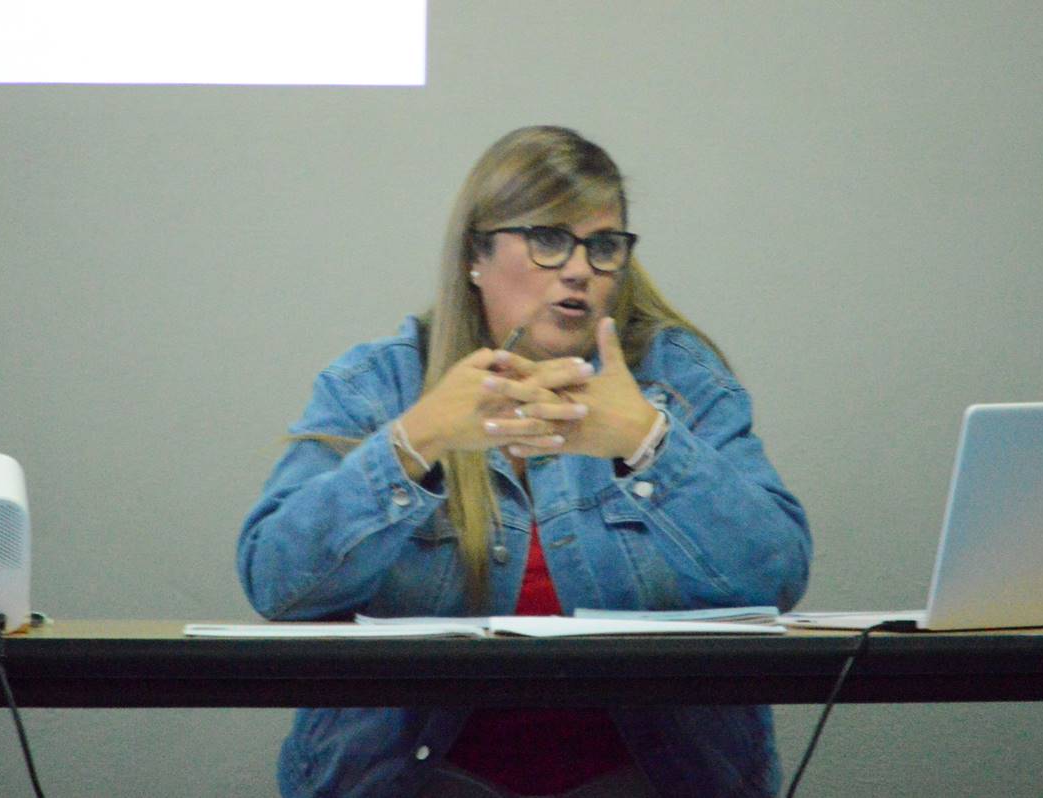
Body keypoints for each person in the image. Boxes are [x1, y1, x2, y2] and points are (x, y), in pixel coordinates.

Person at [237, 126, 812, 798]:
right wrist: (416, 441)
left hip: (648, 782)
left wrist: (648, 441)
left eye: (603, 246)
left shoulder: (675, 381)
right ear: (475, 257)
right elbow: (275, 581)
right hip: (417, 784)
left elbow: (778, 573)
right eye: (548, 238)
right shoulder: (379, 384)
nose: (579, 269)